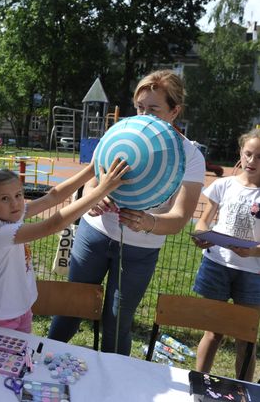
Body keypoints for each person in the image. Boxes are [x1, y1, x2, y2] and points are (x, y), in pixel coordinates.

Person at [48, 69, 206, 355]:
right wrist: (92, 199)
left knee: (117, 323)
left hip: (140, 251)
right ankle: (39, 363)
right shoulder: (121, 134)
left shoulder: (190, 156)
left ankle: (115, 388)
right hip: (93, 235)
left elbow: (180, 218)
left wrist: (149, 222)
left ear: (175, 111)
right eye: (140, 108)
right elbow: (93, 180)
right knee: (70, 309)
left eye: (154, 109)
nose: (143, 117)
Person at [0, 159, 129, 333]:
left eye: (18, 195)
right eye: (5, 198)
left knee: (21, 357)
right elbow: (52, 225)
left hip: (22, 309)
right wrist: (102, 190)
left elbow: (53, 196)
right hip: (2, 316)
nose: (15, 203)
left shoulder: (10, 214)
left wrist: (91, 170)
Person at [192, 128, 260, 382]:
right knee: (213, 331)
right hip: (217, 265)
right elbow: (203, 222)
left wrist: (253, 251)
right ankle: (198, 384)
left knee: (246, 337)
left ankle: (244, 389)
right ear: (241, 153)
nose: (252, 161)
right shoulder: (223, 185)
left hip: (253, 273)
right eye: (248, 154)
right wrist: (202, 235)